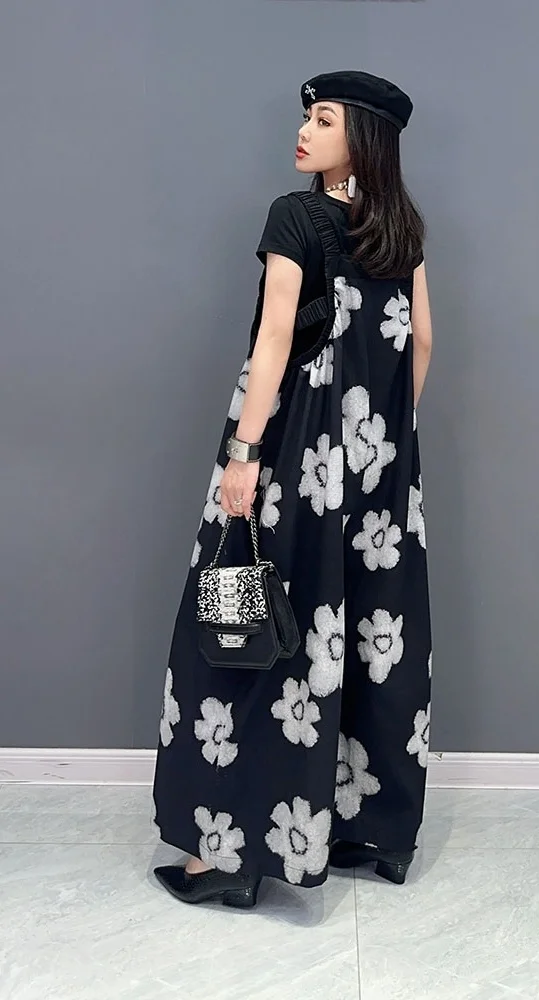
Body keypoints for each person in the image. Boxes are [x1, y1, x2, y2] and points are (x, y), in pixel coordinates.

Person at [151, 70, 433, 908]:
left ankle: (229, 853)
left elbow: (276, 338)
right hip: (382, 465)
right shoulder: (404, 229)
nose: (304, 131)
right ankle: (369, 833)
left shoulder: (295, 216)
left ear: (363, 137)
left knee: (252, 623)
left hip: (293, 454)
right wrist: (381, 436)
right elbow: (422, 344)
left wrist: (245, 454)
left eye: (323, 119)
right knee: (371, 637)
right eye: (306, 117)